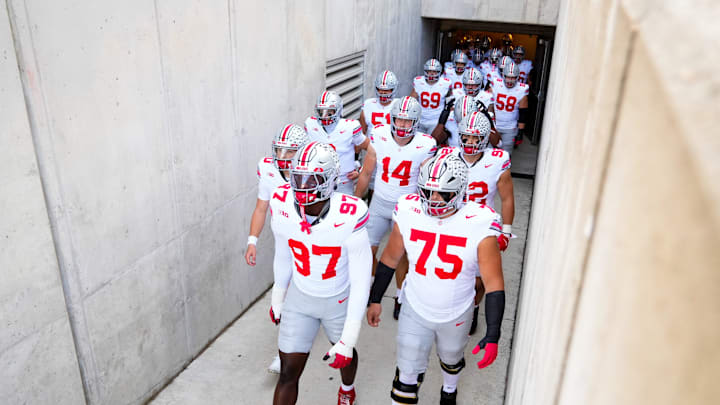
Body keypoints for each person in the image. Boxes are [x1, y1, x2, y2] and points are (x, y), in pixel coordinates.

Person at [367, 153, 506, 405]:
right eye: (428, 191)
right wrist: (375, 298)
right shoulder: (409, 210)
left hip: (456, 308)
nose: (433, 200)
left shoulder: (480, 222)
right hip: (415, 304)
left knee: (451, 357)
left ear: (461, 192)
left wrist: (494, 332)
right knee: (406, 373)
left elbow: (494, 282)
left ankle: (449, 390)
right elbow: (390, 258)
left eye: (443, 193)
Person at [269, 141, 373, 405]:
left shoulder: (350, 213)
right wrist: (278, 296)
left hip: (337, 298)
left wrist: (349, 338)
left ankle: (347, 388)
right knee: (287, 374)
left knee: (345, 356)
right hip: (300, 296)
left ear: (328, 180)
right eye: (298, 177)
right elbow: (283, 252)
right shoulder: (280, 201)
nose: (302, 186)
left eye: (311, 179)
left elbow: (361, 280)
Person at [354, 96, 437, 320]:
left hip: (406, 209)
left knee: (402, 256)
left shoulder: (425, 145)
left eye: (407, 121)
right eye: (399, 120)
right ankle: (373, 290)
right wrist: (355, 201)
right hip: (380, 203)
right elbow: (367, 173)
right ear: (392, 119)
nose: (402, 125)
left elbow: (427, 182)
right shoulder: (379, 136)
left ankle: (400, 295)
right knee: (366, 250)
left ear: (416, 123)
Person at [438, 111, 514, 335]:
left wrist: (507, 231)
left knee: (479, 280)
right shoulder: (447, 157)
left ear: (484, 138)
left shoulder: (496, 161)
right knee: (452, 274)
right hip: (453, 223)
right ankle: (454, 311)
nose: (470, 143)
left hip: (482, 226)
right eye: (466, 137)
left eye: (475, 138)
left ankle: (474, 308)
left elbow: (507, 198)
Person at [245, 124, 310, 373]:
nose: (282, 158)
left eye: (289, 152)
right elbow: (261, 207)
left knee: (308, 293)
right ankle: (283, 352)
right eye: (279, 151)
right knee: (281, 296)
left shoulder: (311, 168)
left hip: (310, 243)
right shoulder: (268, 168)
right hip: (284, 242)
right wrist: (253, 240)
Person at [305, 91, 370, 194]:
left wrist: (361, 169)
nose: (325, 116)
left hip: (343, 182)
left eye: (329, 112)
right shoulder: (311, 124)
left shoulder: (350, 127)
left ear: (338, 110)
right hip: (318, 181)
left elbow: (371, 149)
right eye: (321, 111)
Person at [490, 62, 529, 155]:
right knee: (488, 152)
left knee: (505, 154)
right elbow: (487, 103)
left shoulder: (522, 89)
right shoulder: (495, 84)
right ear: (503, 75)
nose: (510, 80)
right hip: (493, 125)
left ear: (517, 77)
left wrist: (520, 131)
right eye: (508, 77)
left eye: (513, 78)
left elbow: (523, 112)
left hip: (510, 127)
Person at [410, 58, 452, 134]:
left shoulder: (445, 83)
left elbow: (450, 102)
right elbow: (411, 100)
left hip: (435, 121)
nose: (432, 74)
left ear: (439, 72)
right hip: (420, 120)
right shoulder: (419, 81)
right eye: (429, 71)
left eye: (434, 71)